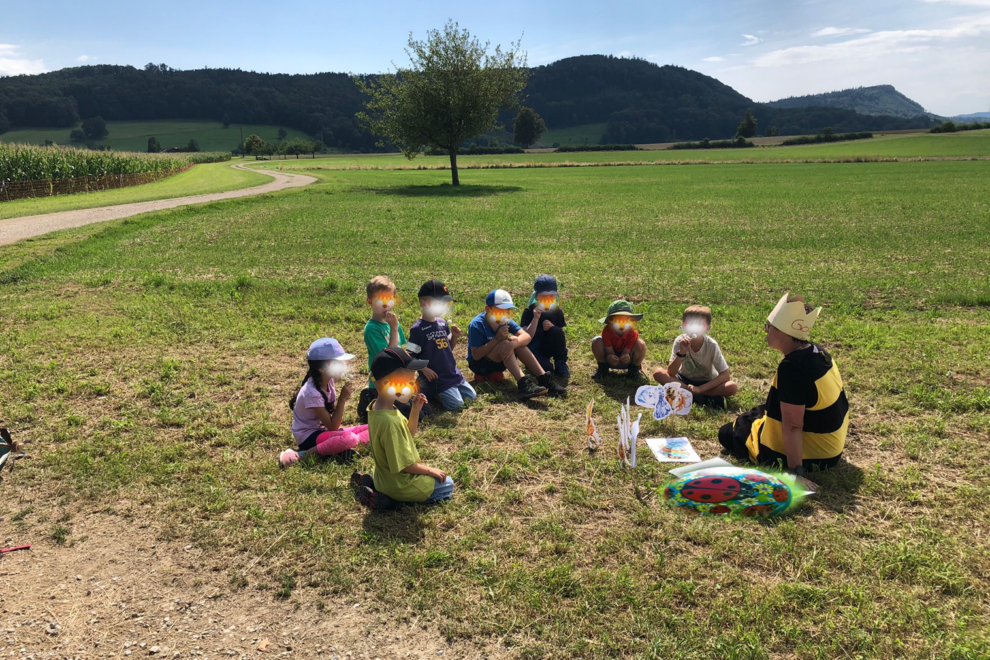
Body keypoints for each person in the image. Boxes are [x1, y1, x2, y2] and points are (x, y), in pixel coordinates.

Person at [719, 294, 849, 492]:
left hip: (817, 455)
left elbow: (793, 426)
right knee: (757, 413)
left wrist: (795, 472)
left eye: (769, 326)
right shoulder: (818, 351)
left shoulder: (792, 368)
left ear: (783, 331)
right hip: (831, 446)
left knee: (727, 433)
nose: (766, 330)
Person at [353, 347, 453, 510]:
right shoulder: (389, 422)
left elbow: (408, 434)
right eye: (408, 382)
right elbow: (406, 466)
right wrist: (429, 470)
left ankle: (377, 485)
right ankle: (393, 501)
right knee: (448, 484)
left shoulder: (378, 408)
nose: (414, 386)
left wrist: (415, 410)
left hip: (384, 479)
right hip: (400, 485)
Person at [279, 338, 368, 468]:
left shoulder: (328, 381)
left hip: (323, 432)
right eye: (339, 364)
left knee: (372, 428)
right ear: (322, 369)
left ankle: (336, 448)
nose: (344, 367)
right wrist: (342, 399)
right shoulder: (312, 393)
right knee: (350, 438)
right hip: (308, 438)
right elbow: (333, 426)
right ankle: (302, 455)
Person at [466, 289, 565, 399]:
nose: (504, 314)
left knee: (515, 341)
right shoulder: (477, 324)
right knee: (505, 342)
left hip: (499, 361)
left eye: (507, 311)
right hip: (480, 365)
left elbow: (526, 337)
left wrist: (512, 344)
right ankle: (523, 383)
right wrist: (497, 339)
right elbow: (476, 355)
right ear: (488, 309)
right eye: (500, 311)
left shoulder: (506, 321)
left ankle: (544, 378)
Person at [359, 275, 431, 423]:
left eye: (389, 300)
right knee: (414, 415)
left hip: (397, 380)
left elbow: (401, 350)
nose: (386, 305)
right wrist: (393, 328)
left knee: (426, 410)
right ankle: (369, 397)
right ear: (370, 302)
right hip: (383, 384)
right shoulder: (372, 329)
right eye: (380, 301)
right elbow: (389, 357)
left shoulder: (393, 323)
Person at [406, 279, 477, 411]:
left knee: (471, 396)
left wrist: (454, 337)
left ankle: (444, 391)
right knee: (457, 404)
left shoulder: (442, 323)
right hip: (436, 378)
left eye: (445, 304)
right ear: (423, 303)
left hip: (451, 373)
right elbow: (410, 356)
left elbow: (448, 348)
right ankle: (431, 391)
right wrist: (424, 369)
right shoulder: (417, 329)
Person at [652, 305, 739, 408]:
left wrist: (700, 389)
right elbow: (671, 372)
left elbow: (725, 375)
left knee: (731, 387)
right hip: (684, 379)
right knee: (658, 373)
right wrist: (682, 352)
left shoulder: (711, 345)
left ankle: (694, 394)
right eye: (690, 324)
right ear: (684, 326)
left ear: (707, 328)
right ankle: (700, 396)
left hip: (707, 382)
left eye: (699, 325)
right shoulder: (680, 341)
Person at [519, 275, 569, 378]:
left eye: (551, 296)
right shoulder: (529, 311)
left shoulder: (557, 311)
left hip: (548, 345)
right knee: (546, 369)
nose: (548, 300)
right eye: (544, 297)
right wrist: (535, 318)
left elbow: (561, 335)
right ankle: (532, 362)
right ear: (536, 296)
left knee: (556, 330)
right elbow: (525, 336)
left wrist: (553, 328)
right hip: (534, 347)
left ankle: (560, 362)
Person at [591, 300, 647, 381]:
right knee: (596, 341)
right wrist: (610, 357)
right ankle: (603, 369)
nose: (622, 325)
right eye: (618, 320)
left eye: (626, 320)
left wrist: (626, 357)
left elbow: (626, 352)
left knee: (641, 344)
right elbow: (609, 351)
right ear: (610, 320)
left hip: (627, 362)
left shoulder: (632, 333)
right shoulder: (607, 331)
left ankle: (633, 371)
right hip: (609, 360)